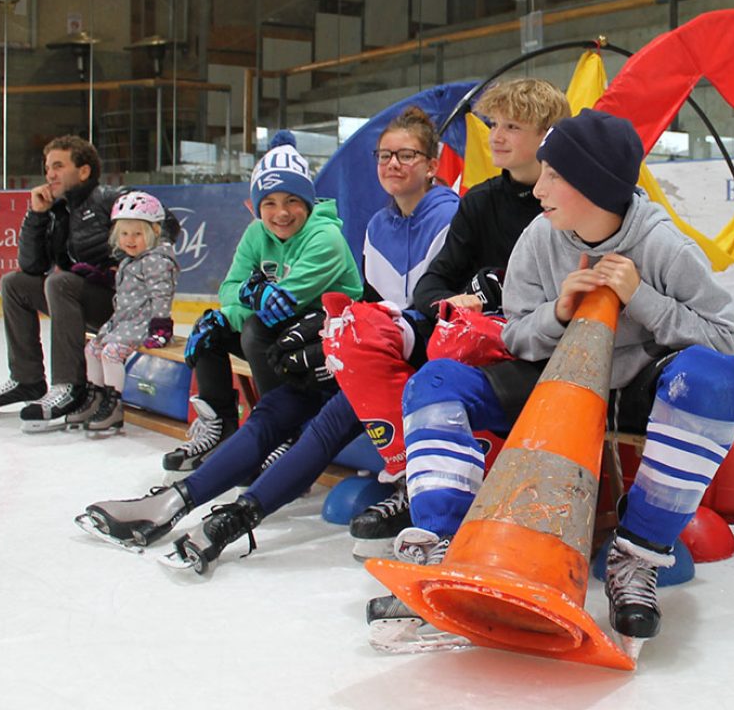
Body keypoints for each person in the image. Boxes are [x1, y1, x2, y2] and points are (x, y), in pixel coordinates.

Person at [367, 109, 734, 658]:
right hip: (553, 383)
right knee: (437, 382)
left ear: (593, 187)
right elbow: (517, 335)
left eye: (553, 176)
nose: (538, 186)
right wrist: (557, 313)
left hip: (630, 389)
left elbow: (728, 337)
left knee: (713, 380)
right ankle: (443, 544)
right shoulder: (539, 239)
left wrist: (643, 297)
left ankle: (637, 557)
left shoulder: (664, 246)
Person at [76, 108, 460, 573]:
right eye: (385, 155)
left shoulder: (447, 217)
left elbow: (435, 309)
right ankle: (176, 501)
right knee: (271, 405)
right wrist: (333, 331)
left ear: (432, 163)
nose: (393, 164)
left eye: (407, 155)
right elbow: (360, 300)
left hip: (417, 364)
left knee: (312, 418)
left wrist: (335, 330)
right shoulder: (379, 224)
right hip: (367, 354)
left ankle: (231, 518)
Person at [323, 78, 571, 561]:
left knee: (445, 354)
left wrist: (498, 295)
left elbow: (567, 291)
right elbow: (431, 288)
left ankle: (460, 491)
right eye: (494, 124)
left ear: (547, 135)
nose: (496, 136)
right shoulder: (480, 201)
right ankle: (409, 478)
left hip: (531, 340)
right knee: (353, 332)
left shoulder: (568, 200)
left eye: (512, 126)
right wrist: (466, 299)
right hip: (469, 331)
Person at [160, 130, 362, 472]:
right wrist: (246, 296)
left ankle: (284, 432)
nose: (281, 213)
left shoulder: (325, 238)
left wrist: (253, 294)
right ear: (256, 206)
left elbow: (282, 304)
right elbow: (230, 288)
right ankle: (220, 428)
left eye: (292, 201)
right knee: (210, 328)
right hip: (283, 337)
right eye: (270, 202)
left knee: (255, 329)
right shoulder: (256, 233)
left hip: (330, 340)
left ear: (309, 203)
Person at [0, 136, 178, 432]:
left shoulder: (110, 197)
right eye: (47, 168)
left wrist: (133, 263)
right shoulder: (56, 212)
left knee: (61, 282)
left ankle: (69, 386)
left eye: (58, 166)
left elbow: (167, 223)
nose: (49, 175)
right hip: (75, 298)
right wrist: (37, 216)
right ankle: (26, 380)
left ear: (83, 171)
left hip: (124, 305)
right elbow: (32, 267)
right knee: (14, 283)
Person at [66, 191, 179, 435]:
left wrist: (160, 326)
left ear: (155, 232)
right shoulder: (130, 260)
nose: (130, 239)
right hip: (124, 322)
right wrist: (100, 276)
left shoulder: (156, 260)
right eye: (124, 233)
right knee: (92, 348)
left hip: (144, 324)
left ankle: (113, 403)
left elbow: (162, 293)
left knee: (111, 352)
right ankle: (95, 395)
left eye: (138, 234)